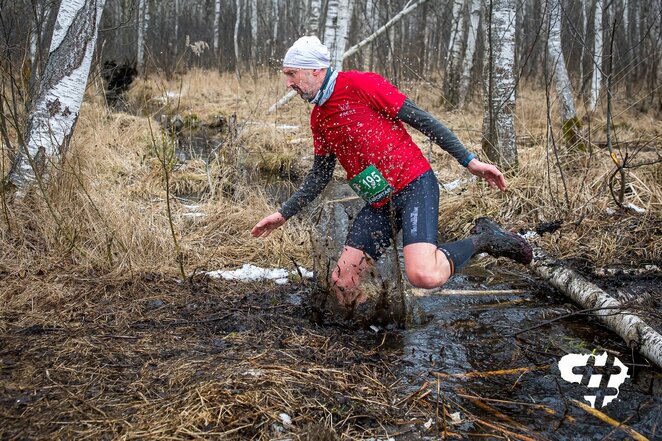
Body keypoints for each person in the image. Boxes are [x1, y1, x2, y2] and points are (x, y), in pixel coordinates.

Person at [251, 36, 532, 308]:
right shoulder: (319, 117)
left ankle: (485, 239)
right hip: (380, 202)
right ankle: (375, 333)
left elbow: (421, 119)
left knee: (424, 275)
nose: (288, 83)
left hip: (413, 186)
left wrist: (469, 162)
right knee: (343, 283)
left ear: (316, 69)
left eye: (292, 73)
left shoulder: (360, 84)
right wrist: (283, 213)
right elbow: (320, 175)